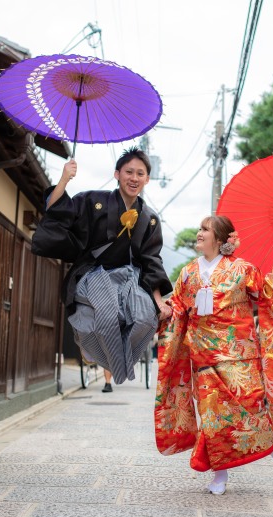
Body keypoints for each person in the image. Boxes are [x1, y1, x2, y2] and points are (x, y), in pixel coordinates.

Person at [154, 215, 273, 495]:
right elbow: (180, 307)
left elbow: (266, 296)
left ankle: (267, 440)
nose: (199, 233)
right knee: (213, 417)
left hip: (238, 354)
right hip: (203, 355)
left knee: (250, 406)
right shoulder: (187, 273)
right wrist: (165, 310)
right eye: (200, 228)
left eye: (204, 230)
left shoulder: (242, 269)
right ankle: (220, 475)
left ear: (220, 239)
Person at [32, 148, 173, 385]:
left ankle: (113, 360)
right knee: (107, 314)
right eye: (129, 171)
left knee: (146, 318)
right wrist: (64, 178)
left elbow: (152, 260)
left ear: (147, 179)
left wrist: (158, 300)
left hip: (131, 279)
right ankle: (90, 348)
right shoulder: (92, 201)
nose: (134, 178)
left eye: (140, 173)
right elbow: (56, 212)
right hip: (95, 273)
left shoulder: (149, 218)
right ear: (117, 174)